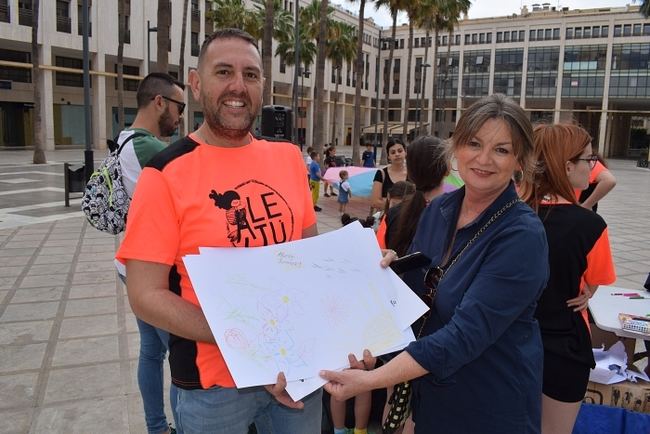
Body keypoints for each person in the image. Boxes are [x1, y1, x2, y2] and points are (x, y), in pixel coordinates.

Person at [116, 28, 322, 434]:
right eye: (223, 71)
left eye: (251, 75)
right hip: (212, 387)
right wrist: (246, 341)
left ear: (263, 85)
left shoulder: (288, 159)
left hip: (296, 372)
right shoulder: (164, 174)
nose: (238, 87)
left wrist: (360, 278)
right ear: (196, 84)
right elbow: (144, 295)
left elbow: (308, 262)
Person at [321, 94, 550, 434]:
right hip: (432, 402)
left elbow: (464, 336)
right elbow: (415, 299)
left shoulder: (522, 235)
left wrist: (372, 379)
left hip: (490, 408)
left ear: (520, 160)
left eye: (502, 149)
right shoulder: (439, 210)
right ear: (456, 147)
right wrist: (390, 274)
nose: (484, 159)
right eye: (474, 143)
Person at [521, 123, 616, 434]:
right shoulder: (590, 225)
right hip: (565, 343)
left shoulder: (514, 215)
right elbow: (595, 281)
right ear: (566, 166)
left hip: (512, 340)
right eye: (588, 159)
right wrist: (587, 290)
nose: (593, 166)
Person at [117, 71, 185, 434]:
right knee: (179, 356)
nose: (180, 117)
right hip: (155, 267)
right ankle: (175, 427)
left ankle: (156, 427)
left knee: (151, 352)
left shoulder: (125, 140)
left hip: (133, 262)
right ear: (159, 102)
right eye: (179, 107)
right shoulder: (149, 148)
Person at [377, 136, 448, 256]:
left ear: (409, 172)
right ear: (448, 169)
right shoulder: (457, 215)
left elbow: (380, 252)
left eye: (400, 151)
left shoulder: (392, 214)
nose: (397, 154)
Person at [371, 138, 408, 211]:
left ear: (405, 152)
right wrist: (404, 205)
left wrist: (388, 202)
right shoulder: (381, 174)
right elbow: (375, 202)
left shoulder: (413, 174)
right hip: (387, 219)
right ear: (388, 156)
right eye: (393, 152)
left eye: (400, 151)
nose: (397, 154)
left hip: (409, 220)